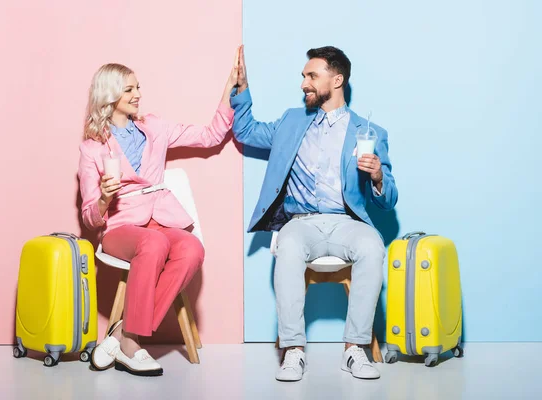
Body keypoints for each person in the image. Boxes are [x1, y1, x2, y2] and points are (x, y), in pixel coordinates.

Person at [230, 45, 398, 381]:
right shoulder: (292, 121)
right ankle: (293, 351)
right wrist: (242, 90)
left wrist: (378, 175)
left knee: (372, 246)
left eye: (312, 76)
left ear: (336, 80)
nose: (304, 83)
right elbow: (246, 132)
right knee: (288, 247)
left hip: (347, 223)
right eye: (303, 76)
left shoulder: (371, 132)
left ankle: (355, 349)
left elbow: (388, 200)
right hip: (301, 222)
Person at [78, 48, 240, 376]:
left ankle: (124, 333)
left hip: (160, 219)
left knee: (192, 248)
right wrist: (104, 200)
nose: (138, 94)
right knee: (153, 244)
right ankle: (132, 345)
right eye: (129, 89)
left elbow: (209, 135)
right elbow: (88, 216)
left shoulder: (155, 127)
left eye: (138, 87)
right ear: (109, 95)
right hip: (120, 228)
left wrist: (229, 89)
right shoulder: (93, 148)